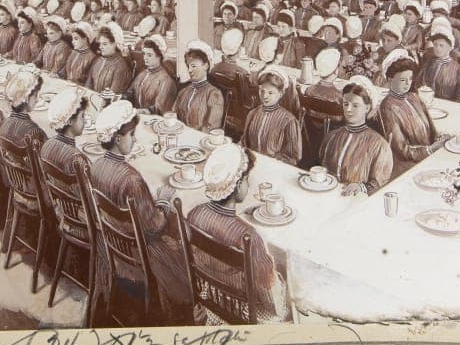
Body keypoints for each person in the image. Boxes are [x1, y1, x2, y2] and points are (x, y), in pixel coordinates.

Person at [87, 101, 192, 323]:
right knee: (185, 247)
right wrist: (163, 201)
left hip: (111, 244)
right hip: (136, 251)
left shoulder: (96, 166)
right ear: (117, 138)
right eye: (132, 135)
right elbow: (153, 226)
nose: (135, 140)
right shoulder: (131, 179)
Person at [185, 144, 287, 322]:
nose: (248, 184)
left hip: (211, 298)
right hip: (241, 313)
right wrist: (282, 282)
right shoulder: (248, 236)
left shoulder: (195, 214)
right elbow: (273, 304)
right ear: (238, 184)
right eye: (247, 180)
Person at [376, 50, 452, 179]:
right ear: (389, 79)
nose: (407, 84)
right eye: (402, 80)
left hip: (428, 156)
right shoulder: (387, 106)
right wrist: (430, 150)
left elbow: (431, 129)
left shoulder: (414, 97)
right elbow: (401, 150)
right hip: (407, 166)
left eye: (410, 79)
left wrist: (440, 138)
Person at [319, 79, 394, 196]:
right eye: (346, 104)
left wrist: (362, 186)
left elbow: (380, 183)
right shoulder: (331, 137)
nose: (348, 110)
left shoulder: (379, 145)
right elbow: (323, 167)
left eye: (355, 105)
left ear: (367, 108)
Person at [240, 67, 302, 166]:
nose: (264, 96)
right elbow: (244, 143)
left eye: (270, 93)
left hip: (274, 167)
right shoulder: (252, 114)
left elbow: (293, 157)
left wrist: (271, 162)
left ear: (281, 94)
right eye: (262, 91)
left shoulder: (289, 121)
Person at [173, 40, 225, 132]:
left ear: (205, 66)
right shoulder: (183, 92)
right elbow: (173, 117)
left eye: (193, 66)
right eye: (188, 66)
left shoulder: (214, 94)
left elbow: (212, 127)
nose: (189, 70)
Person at [39, 87, 90, 177]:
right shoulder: (78, 159)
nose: (85, 121)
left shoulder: (46, 144)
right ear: (69, 121)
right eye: (82, 116)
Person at [416, 24, 460, 104]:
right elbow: (418, 84)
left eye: (441, 45)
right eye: (435, 45)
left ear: (449, 47)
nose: (437, 48)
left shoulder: (458, 70)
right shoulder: (428, 64)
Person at [127, 35, 179, 115]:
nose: (145, 58)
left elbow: (159, 109)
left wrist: (138, 112)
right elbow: (130, 93)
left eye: (149, 55)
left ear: (159, 56)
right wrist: (120, 99)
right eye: (144, 54)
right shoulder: (142, 74)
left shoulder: (166, 81)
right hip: (136, 118)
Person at [86, 22, 134, 95]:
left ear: (115, 44)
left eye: (105, 44)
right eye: (100, 43)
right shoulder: (97, 61)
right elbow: (88, 86)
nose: (100, 47)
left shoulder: (120, 66)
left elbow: (113, 94)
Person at [65, 21, 98, 85]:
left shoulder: (92, 57)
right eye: (72, 39)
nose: (72, 42)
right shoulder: (73, 52)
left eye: (76, 39)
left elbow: (89, 81)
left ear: (85, 39)